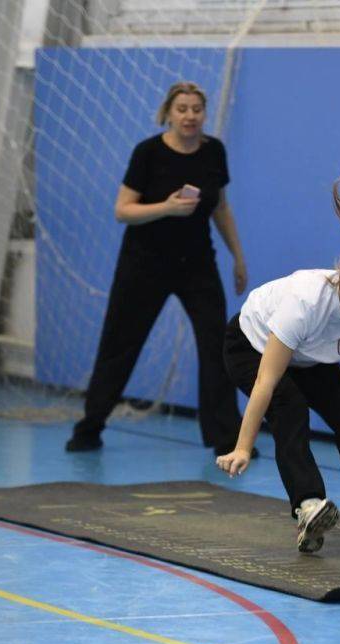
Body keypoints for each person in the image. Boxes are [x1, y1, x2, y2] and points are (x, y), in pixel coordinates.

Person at [215, 129, 340, 554]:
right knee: (289, 408)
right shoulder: (305, 301)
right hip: (251, 346)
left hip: (314, 356)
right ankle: (308, 505)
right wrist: (242, 446)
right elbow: (266, 384)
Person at [66, 82, 247, 455]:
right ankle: (90, 427)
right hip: (144, 263)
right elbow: (123, 210)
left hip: (197, 263)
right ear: (168, 112)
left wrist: (238, 256)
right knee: (120, 343)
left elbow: (221, 207)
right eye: (182, 108)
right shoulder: (147, 153)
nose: (190, 116)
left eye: (197, 109)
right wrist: (164, 207)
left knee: (218, 345)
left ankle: (226, 438)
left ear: (204, 113)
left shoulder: (214, 153)